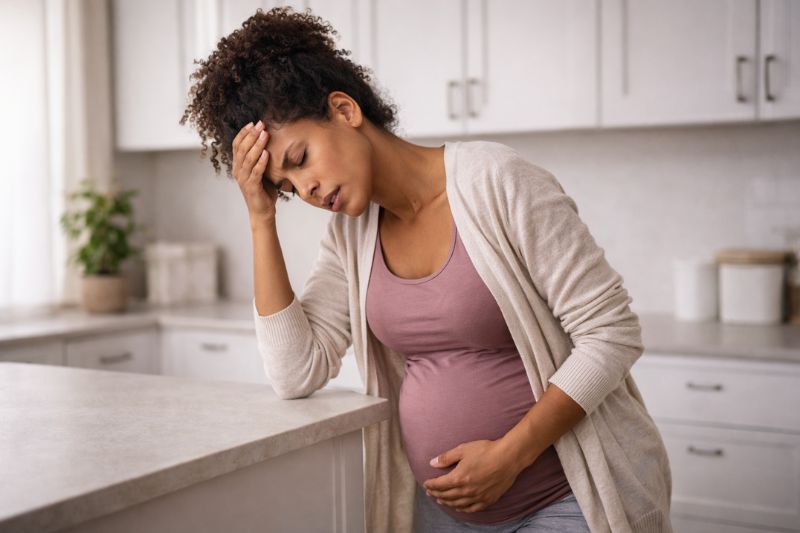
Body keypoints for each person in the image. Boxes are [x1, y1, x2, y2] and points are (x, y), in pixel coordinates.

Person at [180, 6, 673, 533]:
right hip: (439, 513)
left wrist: (510, 456)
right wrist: (261, 220)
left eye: (299, 159)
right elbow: (296, 372)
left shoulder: (497, 180)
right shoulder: (351, 235)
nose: (307, 190)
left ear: (344, 110)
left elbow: (610, 334)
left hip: (566, 499)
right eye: (287, 188)